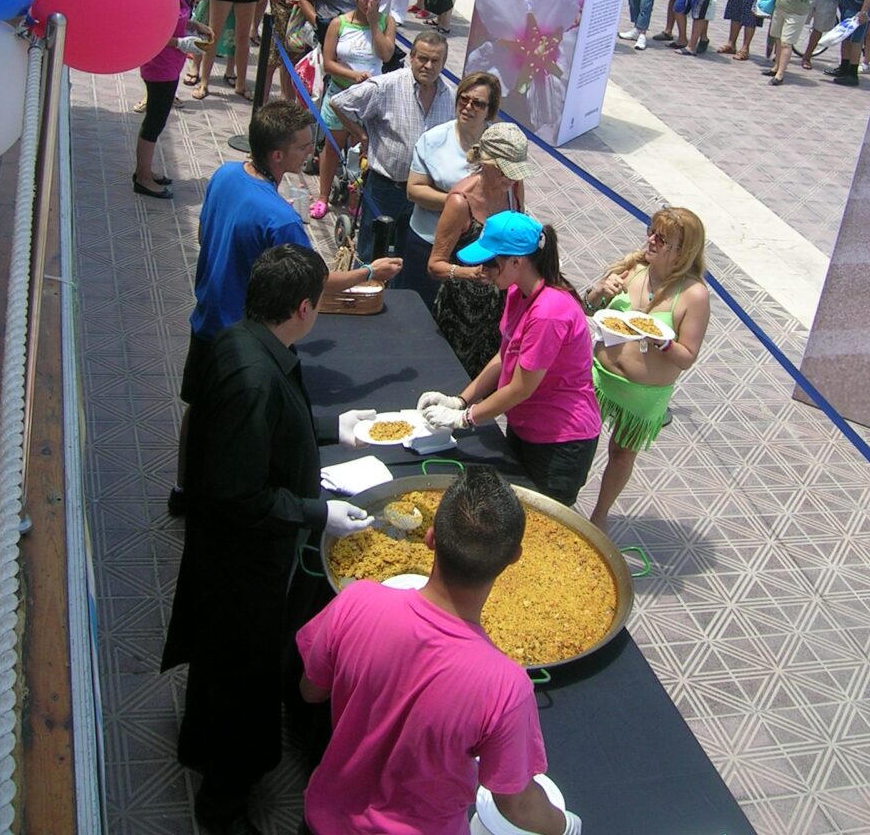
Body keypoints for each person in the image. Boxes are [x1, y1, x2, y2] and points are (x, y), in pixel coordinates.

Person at [161, 244, 377, 835]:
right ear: (304, 308)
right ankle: (223, 804)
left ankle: (209, 752)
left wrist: (338, 427)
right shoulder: (255, 376)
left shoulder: (244, 340)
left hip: (237, 558)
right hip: (241, 566)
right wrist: (318, 513)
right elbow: (240, 493)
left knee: (228, 671)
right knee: (238, 677)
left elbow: (273, 430)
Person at [297, 466, 580, 835]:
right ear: (514, 558)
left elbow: (311, 690)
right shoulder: (506, 686)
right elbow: (516, 803)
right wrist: (566, 825)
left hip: (325, 820)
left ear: (430, 538)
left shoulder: (356, 601)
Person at [170, 100, 402, 517]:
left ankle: (183, 491)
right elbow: (315, 283)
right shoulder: (280, 221)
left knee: (198, 408)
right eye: (302, 147)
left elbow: (207, 235)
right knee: (246, 430)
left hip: (204, 318)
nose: (311, 153)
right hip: (246, 341)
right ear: (278, 155)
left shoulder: (224, 175)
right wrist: (369, 271)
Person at [420, 212, 600, 506]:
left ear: (517, 261)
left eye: (492, 262)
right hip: (526, 425)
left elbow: (520, 387)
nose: (484, 270)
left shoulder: (549, 312)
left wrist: (464, 419)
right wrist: (460, 400)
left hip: (560, 441)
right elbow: (504, 356)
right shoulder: (518, 292)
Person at [586, 207, 710, 531]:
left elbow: (687, 356)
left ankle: (600, 516)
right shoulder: (634, 268)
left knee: (622, 454)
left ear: (682, 251)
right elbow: (588, 307)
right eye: (651, 231)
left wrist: (663, 341)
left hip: (642, 394)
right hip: (599, 377)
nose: (651, 239)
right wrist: (600, 292)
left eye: (661, 237)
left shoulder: (694, 295)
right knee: (578, 440)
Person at [330, 30, 454, 269]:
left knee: (409, 256)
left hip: (425, 193)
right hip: (386, 187)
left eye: (435, 60)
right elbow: (339, 103)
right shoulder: (386, 85)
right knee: (371, 252)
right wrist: (362, 135)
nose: (428, 65)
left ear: (443, 63)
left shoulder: (449, 96)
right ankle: (362, 297)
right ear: (412, 57)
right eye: (422, 59)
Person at [429, 125, 529, 379]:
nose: (512, 178)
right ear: (487, 163)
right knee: (453, 379)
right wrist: (468, 273)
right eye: (506, 171)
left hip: (499, 309)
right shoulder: (460, 202)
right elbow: (434, 265)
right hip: (461, 313)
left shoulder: (514, 190)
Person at [405, 72, 502, 307]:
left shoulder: (500, 144)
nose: (468, 106)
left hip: (478, 250)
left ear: (490, 110)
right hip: (428, 242)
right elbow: (414, 190)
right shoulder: (434, 139)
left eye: (477, 103)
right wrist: (459, 204)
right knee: (420, 310)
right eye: (463, 99)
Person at [310, 0, 396, 221]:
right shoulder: (340, 23)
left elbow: (386, 54)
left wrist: (373, 25)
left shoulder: (385, 22)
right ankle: (323, 196)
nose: (370, 3)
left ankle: (356, 197)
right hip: (340, 94)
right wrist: (352, 75)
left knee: (363, 153)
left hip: (370, 99)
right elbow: (329, 62)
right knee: (332, 147)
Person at [133, 0, 213, 197]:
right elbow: (149, 31)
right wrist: (179, 42)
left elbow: (176, 18)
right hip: (159, 64)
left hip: (172, 64)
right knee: (154, 121)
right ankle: (143, 178)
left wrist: (194, 26)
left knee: (159, 119)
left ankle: (145, 169)